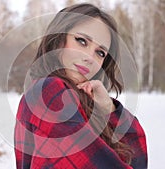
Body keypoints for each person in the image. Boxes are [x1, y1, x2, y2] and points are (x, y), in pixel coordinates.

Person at [14, 3, 147, 169]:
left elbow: (138, 158)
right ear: (59, 38)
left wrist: (109, 109)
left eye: (100, 53)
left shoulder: (85, 104)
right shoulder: (47, 92)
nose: (89, 57)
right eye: (82, 41)